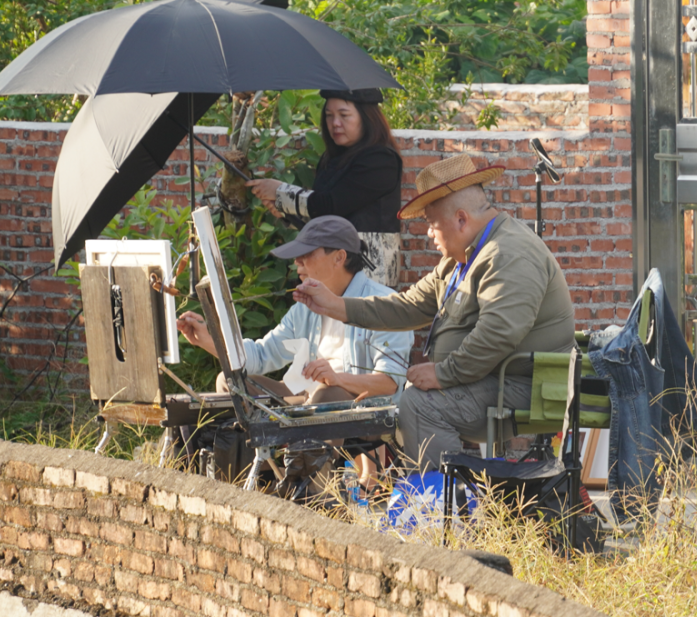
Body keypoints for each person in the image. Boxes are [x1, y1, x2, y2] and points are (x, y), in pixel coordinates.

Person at [293, 154, 576, 473]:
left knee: (420, 404)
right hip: (495, 380)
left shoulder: (509, 253)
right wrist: (335, 305)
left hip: (527, 387)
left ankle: (440, 500)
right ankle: (438, 490)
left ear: (461, 219)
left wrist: (443, 373)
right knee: (413, 399)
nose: (428, 233)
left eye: (431, 223)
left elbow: (498, 334)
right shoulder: (461, 260)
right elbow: (408, 306)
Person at [176, 215, 412, 487]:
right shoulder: (305, 307)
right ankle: (247, 479)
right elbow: (261, 355)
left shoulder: (384, 304)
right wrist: (210, 340)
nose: (297, 262)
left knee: (326, 394)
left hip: (361, 410)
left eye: (307, 254)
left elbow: (390, 382)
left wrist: (337, 378)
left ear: (339, 257)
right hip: (306, 400)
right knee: (230, 382)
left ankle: (314, 493)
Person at [245, 89, 403, 287]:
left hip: (368, 276)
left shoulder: (381, 160)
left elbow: (330, 205)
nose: (335, 123)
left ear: (367, 118)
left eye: (344, 115)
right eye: (329, 115)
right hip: (331, 272)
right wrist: (285, 211)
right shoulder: (332, 159)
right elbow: (323, 221)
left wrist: (280, 193)